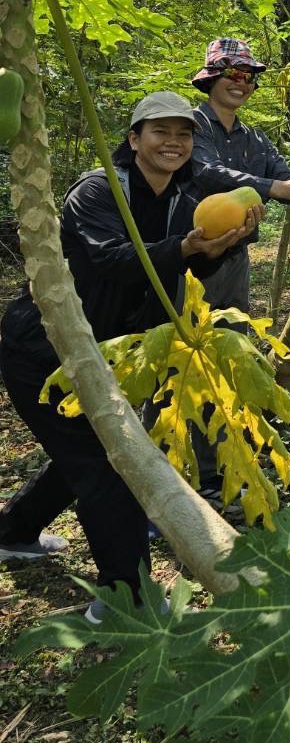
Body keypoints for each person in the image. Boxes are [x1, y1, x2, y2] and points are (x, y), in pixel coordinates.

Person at [0, 93, 257, 614]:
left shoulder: (185, 195)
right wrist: (185, 247)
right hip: (45, 347)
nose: (173, 143)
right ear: (134, 139)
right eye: (160, 131)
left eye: (183, 134)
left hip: (109, 349)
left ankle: (13, 532)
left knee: (88, 450)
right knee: (105, 462)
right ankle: (127, 597)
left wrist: (218, 248)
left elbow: (181, 269)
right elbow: (113, 262)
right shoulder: (97, 190)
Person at [189, 38, 290, 312]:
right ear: (211, 78)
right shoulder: (191, 126)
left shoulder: (256, 139)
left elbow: (286, 180)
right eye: (233, 73)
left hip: (237, 257)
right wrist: (275, 187)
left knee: (233, 332)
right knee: (187, 332)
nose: (241, 82)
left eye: (248, 77)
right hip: (193, 254)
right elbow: (207, 171)